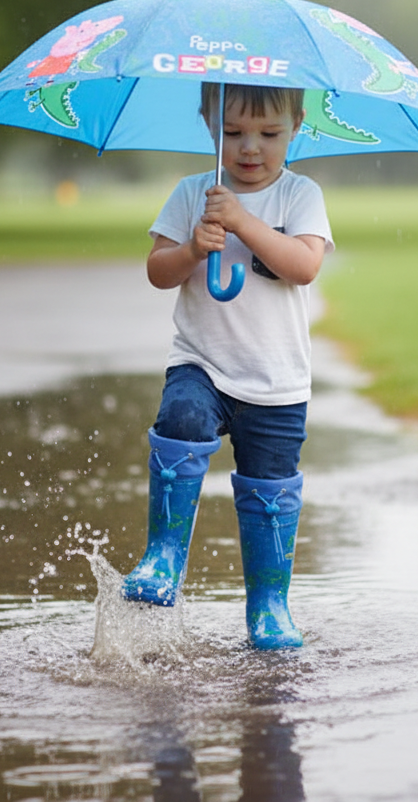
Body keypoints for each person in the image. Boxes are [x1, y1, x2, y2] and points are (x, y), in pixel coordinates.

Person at [123, 82, 334, 650]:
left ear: (296, 125)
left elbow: (304, 265)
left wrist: (243, 222)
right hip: (202, 363)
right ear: (208, 122)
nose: (249, 148)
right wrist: (193, 248)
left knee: (270, 490)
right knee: (181, 422)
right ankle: (163, 557)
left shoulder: (300, 195)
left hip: (276, 380)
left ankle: (269, 604)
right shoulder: (195, 193)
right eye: (233, 131)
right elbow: (157, 271)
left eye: (269, 134)